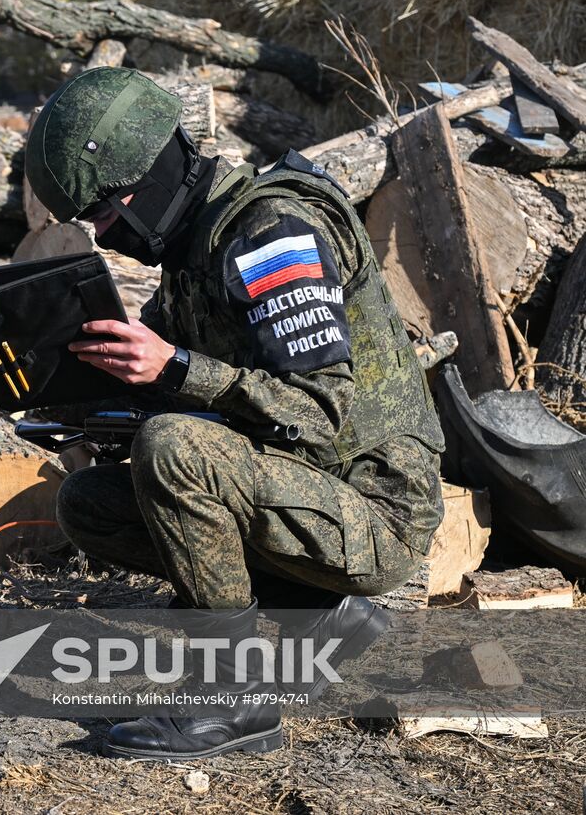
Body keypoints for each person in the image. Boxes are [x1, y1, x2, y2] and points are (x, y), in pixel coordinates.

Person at [23, 67, 444, 761]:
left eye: (103, 216)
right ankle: (316, 611)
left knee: (174, 450)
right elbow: (174, 388)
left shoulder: (271, 229)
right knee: (90, 501)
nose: (103, 236)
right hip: (302, 491)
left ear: (146, 180)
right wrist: (72, 392)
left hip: (373, 509)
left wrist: (177, 369)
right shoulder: (191, 250)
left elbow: (316, 409)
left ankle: (235, 698)